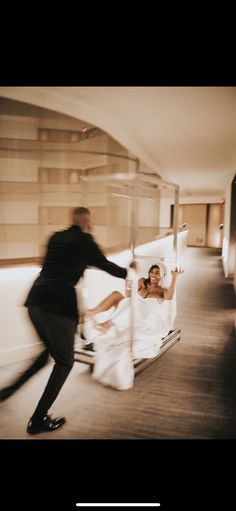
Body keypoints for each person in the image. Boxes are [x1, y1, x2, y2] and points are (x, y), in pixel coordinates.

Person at [0, 207, 135, 434]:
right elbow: (106, 265)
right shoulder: (85, 240)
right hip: (58, 307)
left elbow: (51, 264)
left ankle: (5, 393)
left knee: (46, 354)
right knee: (64, 361)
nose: (90, 225)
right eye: (90, 222)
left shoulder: (55, 237)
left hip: (35, 301)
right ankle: (38, 419)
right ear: (85, 221)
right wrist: (129, 273)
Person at [85, 264, 183, 334]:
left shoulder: (163, 291)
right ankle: (92, 312)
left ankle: (107, 324)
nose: (153, 275)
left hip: (145, 318)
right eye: (151, 272)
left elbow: (169, 297)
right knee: (117, 294)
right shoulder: (142, 282)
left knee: (133, 304)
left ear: (163, 275)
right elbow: (128, 294)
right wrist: (129, 277)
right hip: (131, 309)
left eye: (157, 273)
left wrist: (174, 278)